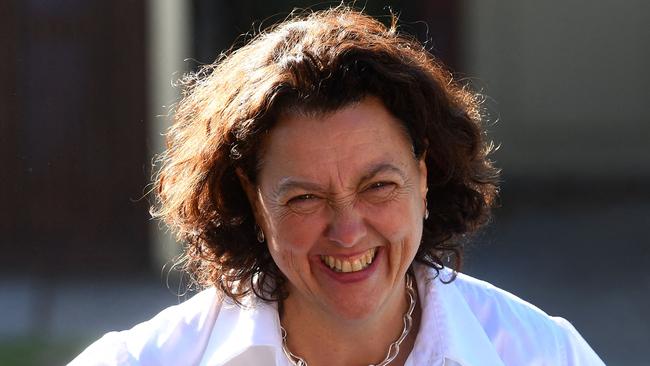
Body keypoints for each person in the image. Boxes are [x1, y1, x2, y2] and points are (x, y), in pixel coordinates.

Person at [70, 7, 604, 366]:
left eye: (378, 186)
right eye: (304, 198)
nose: (347, 231)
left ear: (423, 176)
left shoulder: (543, 354)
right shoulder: (142, 361)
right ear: (253, 201)